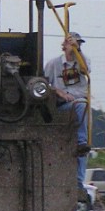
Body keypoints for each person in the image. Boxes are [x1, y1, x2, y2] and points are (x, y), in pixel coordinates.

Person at [43, 32, 91, 185]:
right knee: (80, 105)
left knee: (82, 105)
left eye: (78, 44)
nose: (76, 47)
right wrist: (58, 91)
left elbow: (85, 70)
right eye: (72, 44)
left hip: (79, 103)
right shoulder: (53, 64)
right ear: (64, 45)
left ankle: (79, 178)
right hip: (60, 104)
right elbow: (44, 84)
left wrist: (78, 53)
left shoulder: (82, 62)